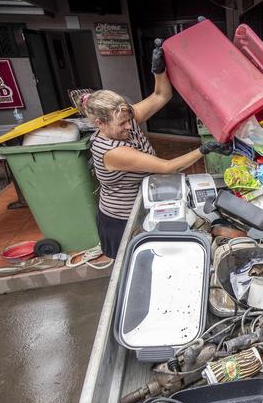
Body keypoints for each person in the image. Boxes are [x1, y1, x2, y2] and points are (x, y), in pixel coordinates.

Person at [79, 39, 231, 258]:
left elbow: (161, 95)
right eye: (122, 124)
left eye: (129, 118)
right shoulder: (112, 151)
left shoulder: (124, 117)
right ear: (100, 124)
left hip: (143, 205)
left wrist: (158, 71)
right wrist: (204, 149)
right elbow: (167, 167)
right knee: (132, 265)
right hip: (122, 218)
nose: (130, 125)